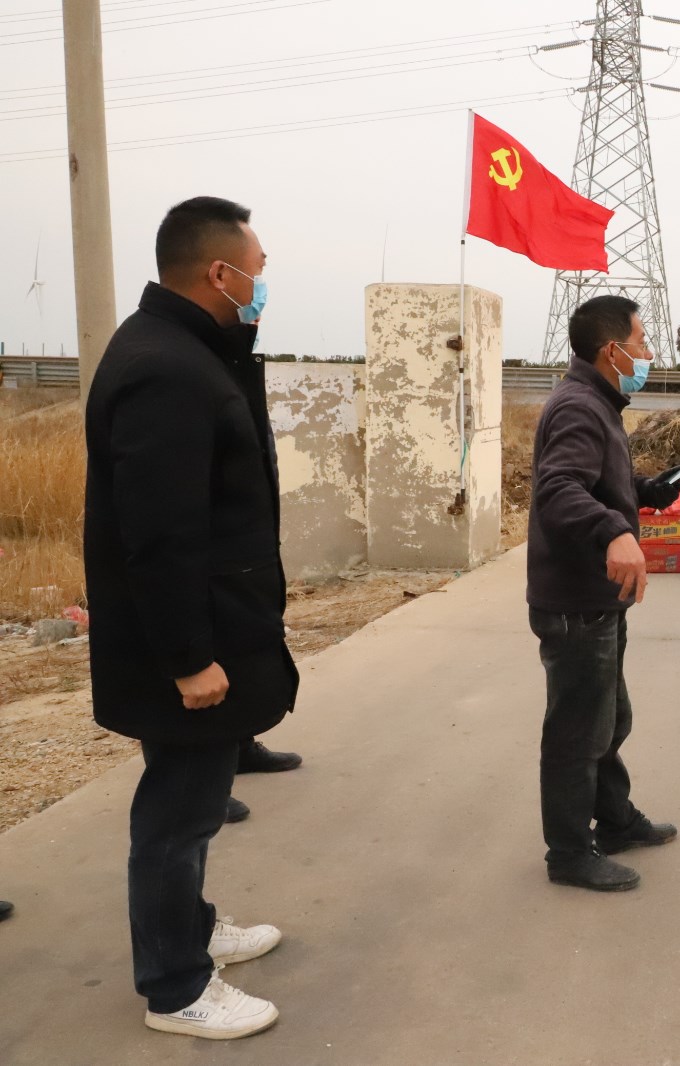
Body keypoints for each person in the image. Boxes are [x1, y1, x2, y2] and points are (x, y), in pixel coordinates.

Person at [84, 196, 297, 1039]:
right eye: (258, 271)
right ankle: (175, 987)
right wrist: (186, 658)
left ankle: (194, 929)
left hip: (209, 626)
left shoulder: (184, 351)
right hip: (185, 643)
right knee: (176, 813)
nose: (262, 284)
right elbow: (160, 533)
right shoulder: (167, 369)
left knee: (197, 805)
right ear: (220, 272)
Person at [527, 294, 680, 892]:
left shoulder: (598, 402)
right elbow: (559, 489)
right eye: (642, 342)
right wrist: (615, 530)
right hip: (576, 602)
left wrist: (643, 490)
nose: (649, 353)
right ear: (612, 350)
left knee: (609, 717)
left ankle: (614, 820)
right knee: (578, 731)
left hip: (598, 599)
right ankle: (569, 853)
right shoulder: (579, 406)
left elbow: (595, 481)